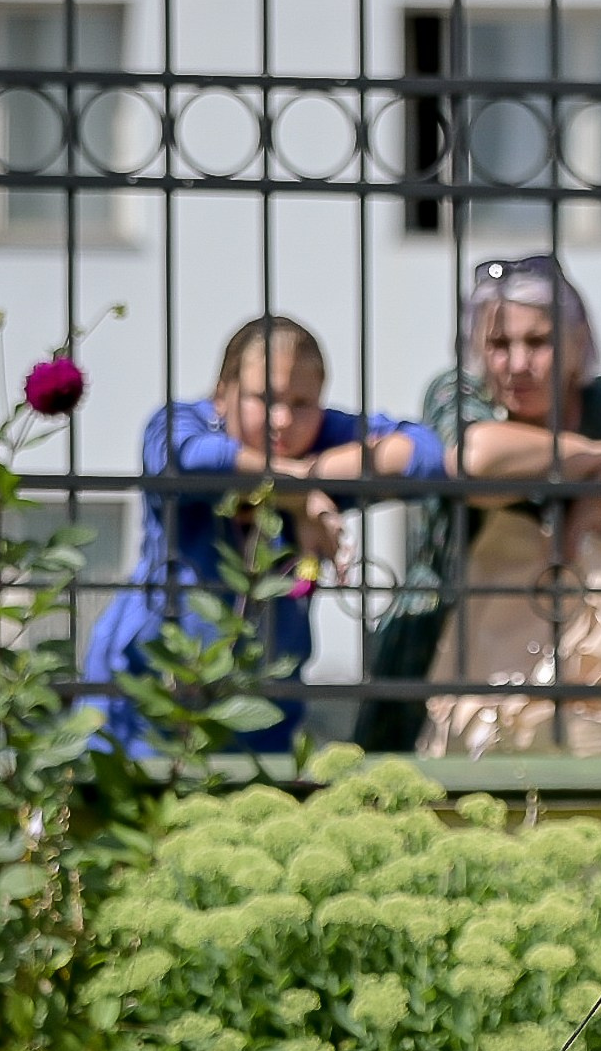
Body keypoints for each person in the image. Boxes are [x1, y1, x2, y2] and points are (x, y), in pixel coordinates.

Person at [356, 255, 601, 754]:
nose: (518, 364)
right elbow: (476, 458)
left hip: (584, 682)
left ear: (578, 345)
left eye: (538, 342)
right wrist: (597, 456)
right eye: (499, 345)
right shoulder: (458, 393)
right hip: (442, 682)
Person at [85, 316, 443, 755]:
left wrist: (303, 481)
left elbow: (424, 454)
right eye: (263, 398)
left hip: (261, 728)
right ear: (222, 394)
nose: (283, 420)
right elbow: (184, 460)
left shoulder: (323, 439)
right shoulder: (181, 423)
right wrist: (299, 492)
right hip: (143, 714)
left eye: (302, 403)